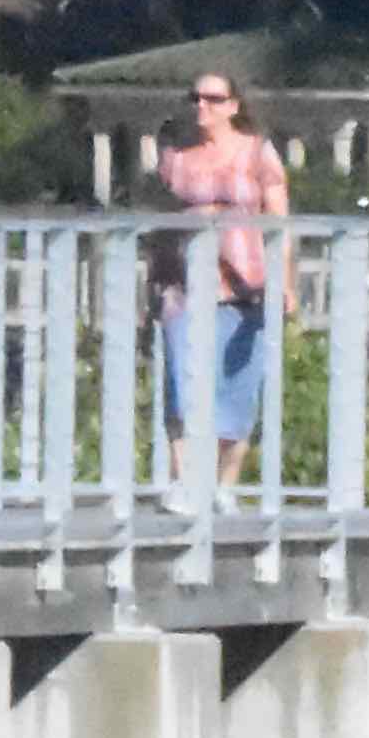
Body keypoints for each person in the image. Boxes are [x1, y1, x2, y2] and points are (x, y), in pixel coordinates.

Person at [152, 71, 293, 491]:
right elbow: (156, 220)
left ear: (233, 106)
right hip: (185, 283)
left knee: (236, 392)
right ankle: (185, 485)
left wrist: (283, 281)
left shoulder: (256, 153)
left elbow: (279, 222)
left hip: (244, 285)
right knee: (181, 382)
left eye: (213, 99)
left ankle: (223, 486)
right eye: (195, 97)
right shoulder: (176, 156)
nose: (202, 106)